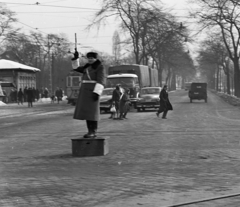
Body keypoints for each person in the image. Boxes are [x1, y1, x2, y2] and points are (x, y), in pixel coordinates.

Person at [70, 50, 105, 138]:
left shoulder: (100, 67)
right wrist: (75, 58)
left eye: (92, 58)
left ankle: (93, 131)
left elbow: (101, 80)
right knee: (87, 113)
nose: (90, 60)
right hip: (85, 92)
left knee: (92, 113)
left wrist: (97, 92)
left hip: (93, 92)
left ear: (95, 58)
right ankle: (89, 130)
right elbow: (76, 68)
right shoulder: (87, 67)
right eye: (88, 58)